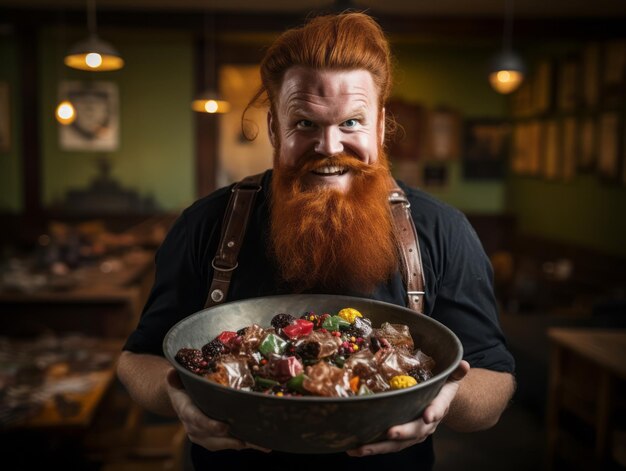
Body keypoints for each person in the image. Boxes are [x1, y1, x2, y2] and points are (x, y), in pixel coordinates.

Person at [117, 11, 516, 471]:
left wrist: (442, 399)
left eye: (351, 122)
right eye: (305, 123)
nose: (329, 146)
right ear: (274, 127)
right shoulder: (207, 225)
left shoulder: (442, 230)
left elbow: (495, 381)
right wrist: (178, 398)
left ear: (381, 126)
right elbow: (136, 360)